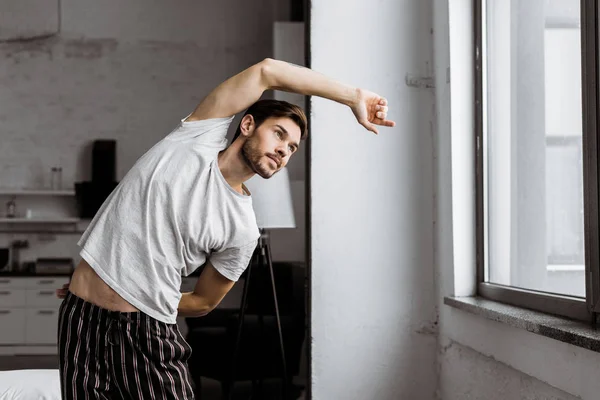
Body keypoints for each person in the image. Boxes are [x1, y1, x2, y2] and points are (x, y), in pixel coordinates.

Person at [55, 58, 395, 399]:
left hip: (146, 331)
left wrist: (137, 292)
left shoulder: (243, 229)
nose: (283, 151)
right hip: (81, 317)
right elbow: (267, 71)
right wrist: (352, 96)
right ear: (247, 124)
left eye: (292, 147)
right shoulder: (197, 137)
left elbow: (203, 301)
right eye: (279, 134)